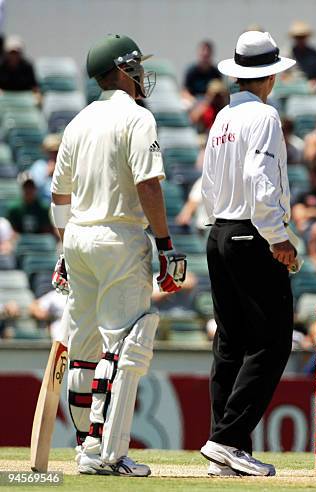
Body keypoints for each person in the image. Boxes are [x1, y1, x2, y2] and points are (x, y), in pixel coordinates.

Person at [50, 34, 187, 477]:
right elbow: (149, 184)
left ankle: (83, 445)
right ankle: (105, 451)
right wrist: (165, 244)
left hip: (78, 237)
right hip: (119, 237)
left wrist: (64, 246)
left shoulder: (77, 122)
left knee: (85, 346)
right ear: (124, 71)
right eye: (137, 68)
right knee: (127, 343)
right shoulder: (137, 118)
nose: (142, 76)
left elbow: (59, 195)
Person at [199, 30, 297, 477]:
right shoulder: (265, 116)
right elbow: (262, 178)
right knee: (272, 342)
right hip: (250, 233)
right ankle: (227, 440)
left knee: (230, 343)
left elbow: (208, 184)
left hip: (219, 232)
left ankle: (225, 446)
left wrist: (221, 228)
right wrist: (278, 237)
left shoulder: (221, 118)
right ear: (271, 75)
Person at [182, 40, 222, 104]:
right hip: (194, 101)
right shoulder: (191, 71)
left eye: (207, 52)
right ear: (198, 53)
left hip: (210, 102)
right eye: (203, 51)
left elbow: (220, 91)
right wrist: (192, 100)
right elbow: (185, 91)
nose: (205, 53)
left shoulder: (216, 72)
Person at [29, 134, 61, 204]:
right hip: (44, 206)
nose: (54, 154)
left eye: (56, 151)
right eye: (51, 152)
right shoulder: (39, 166)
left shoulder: (65, 166)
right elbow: (34, 190)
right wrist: (48, 174)